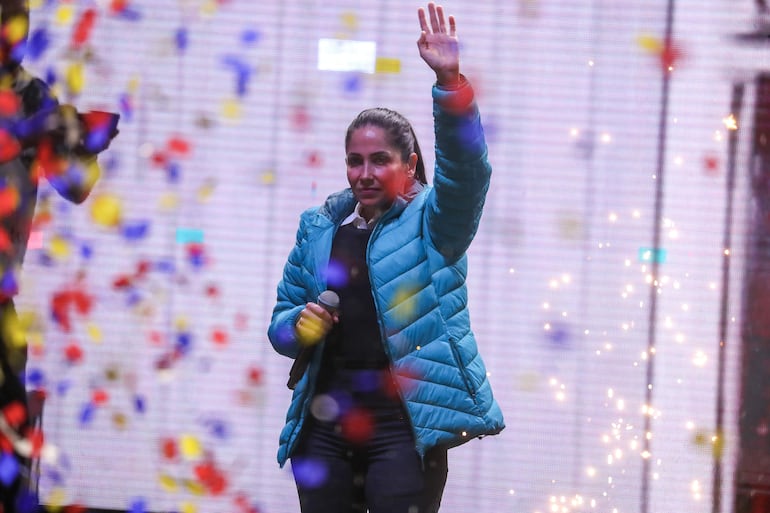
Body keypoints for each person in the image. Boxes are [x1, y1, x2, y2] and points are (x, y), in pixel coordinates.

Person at [267, 3, 504, 512]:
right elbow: (280, 329)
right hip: (325, 426)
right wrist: (299, 326)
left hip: (404, 429)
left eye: (380, 160)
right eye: (355, 160)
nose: (365, 173)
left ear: (409, 163)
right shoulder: (319, 227)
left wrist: (450, 83)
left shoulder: (434, 224)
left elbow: (469, 174)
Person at [0, 0, 117, 511]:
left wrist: (87, 141)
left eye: (17, 20)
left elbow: (75, 185)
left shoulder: (30, 97)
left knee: (8, 455)